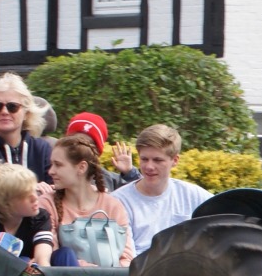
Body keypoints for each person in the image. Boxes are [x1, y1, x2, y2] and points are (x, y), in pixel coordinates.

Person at [0, 72, 53, 219]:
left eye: (12, 107)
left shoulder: (41, 148)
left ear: (26, 112)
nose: (4, 112)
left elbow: (55, 189)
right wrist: (33, 189)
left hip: (39, 222)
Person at [112, 124, 211, 254]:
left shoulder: (193, 195)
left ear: (175, 160)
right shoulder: (118, 202)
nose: (149, 166)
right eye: (144, 159)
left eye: (157, 160)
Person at [38, 134, 134, 267]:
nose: (51, 171)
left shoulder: (113, 206)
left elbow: (127, 258)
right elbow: (49, 255)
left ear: (81, 167)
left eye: (58, 165)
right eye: (51, 164)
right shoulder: (47, 204)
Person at [0, 162, 71, 266]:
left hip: (39, 270)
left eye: (34, 191)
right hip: (4, 274)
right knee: (23, 261)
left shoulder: (40, 217)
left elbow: (43, 252)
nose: (35, 198)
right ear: (6, 203)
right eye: (26, 195)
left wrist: (44, 269)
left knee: (65, 254)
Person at [65, 112, 141, 191]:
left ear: (97, 151)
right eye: (74, 143)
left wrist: (130, 173)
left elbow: (144, 192)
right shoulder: (55, 175)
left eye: (87, 145)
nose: (80, 149)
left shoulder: (110, 181)